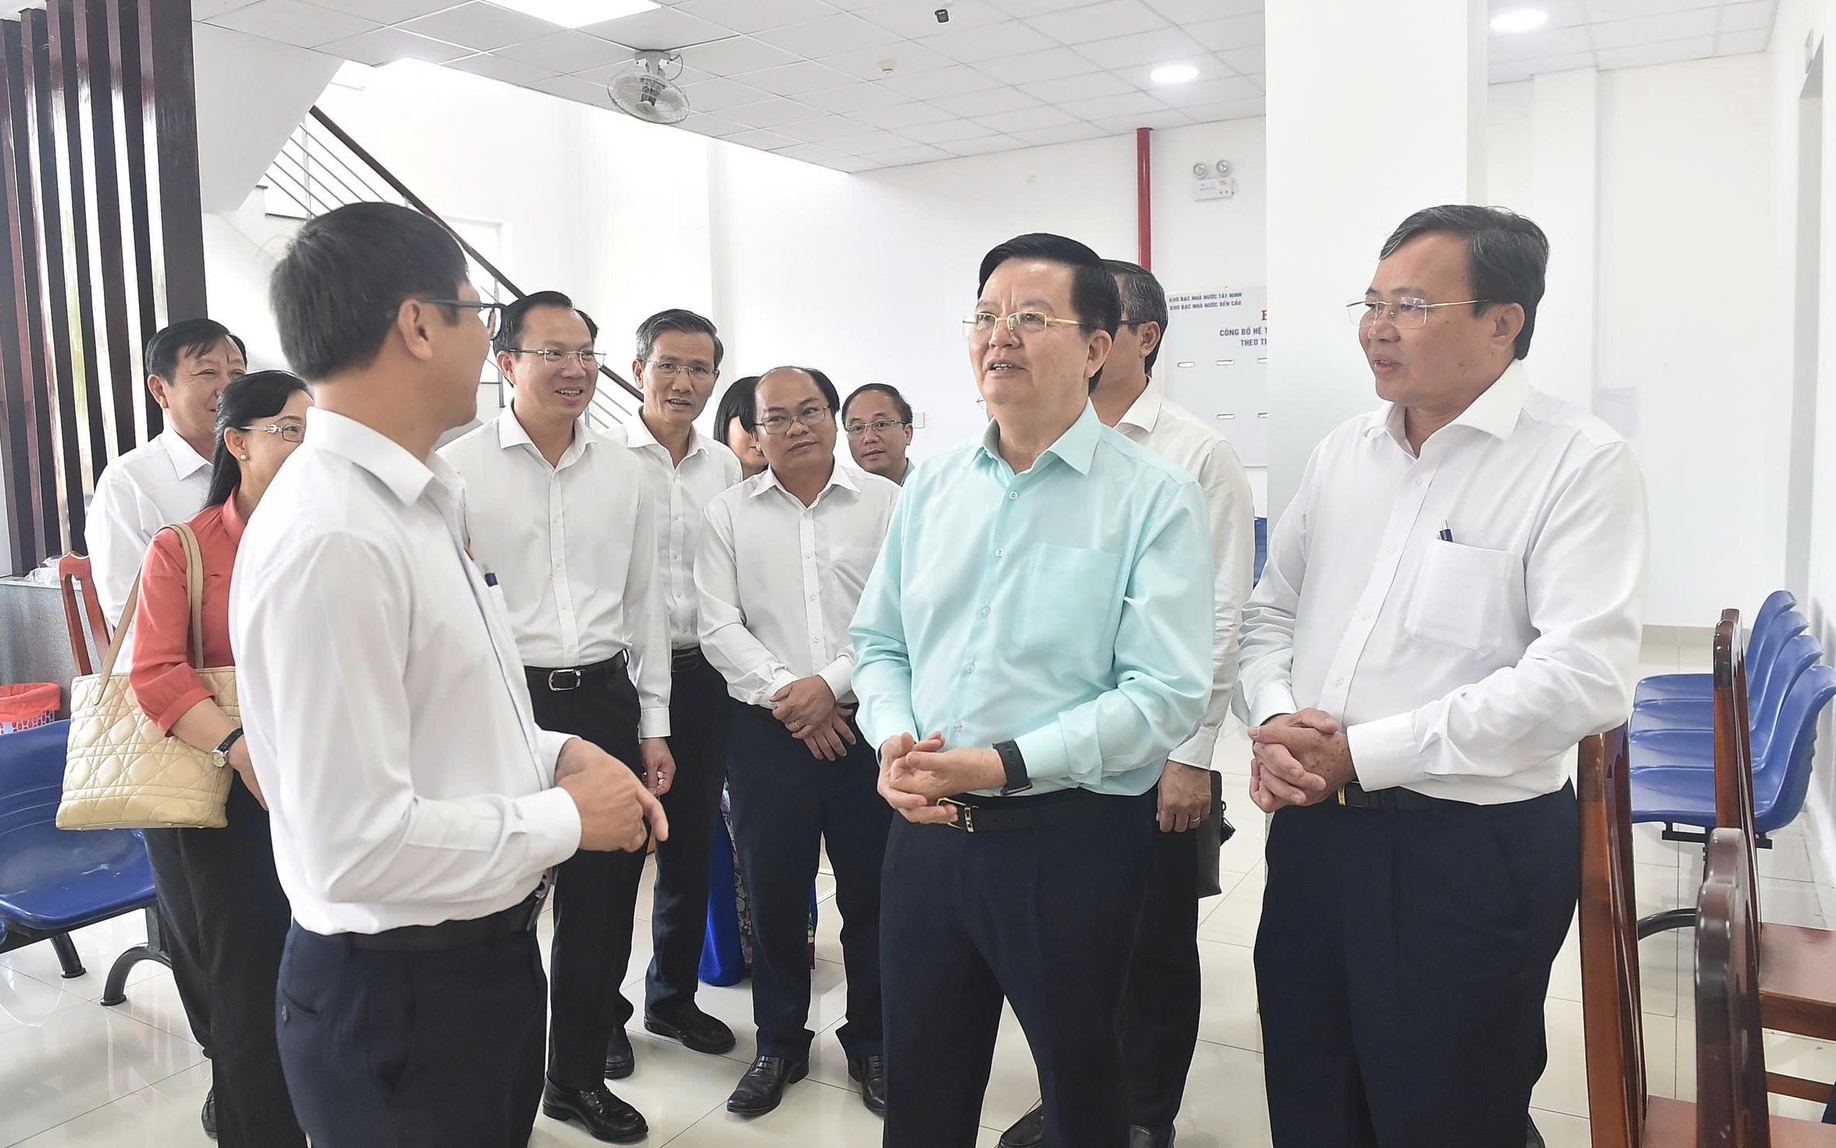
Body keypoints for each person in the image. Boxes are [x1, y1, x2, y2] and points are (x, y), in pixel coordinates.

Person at [231, 202, 667, 1148]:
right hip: (396, 997)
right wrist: (565, 819)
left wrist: (553, 755)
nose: (487, 342)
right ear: (419, 325)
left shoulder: (420, 500)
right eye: (479, 313)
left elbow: (446, 711)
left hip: (474, 968)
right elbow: (351, 847)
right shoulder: (334, 535)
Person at [1238, 205, 1647, 1148]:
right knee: (1310, 1084)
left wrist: (1364, 753)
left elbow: (1583, 676)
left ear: (1504, 321)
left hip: (1468, 852)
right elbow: (1269, 613)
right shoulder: (1344, 453)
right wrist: (1279, 723)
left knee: (1448, 1107)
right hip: (1314, 835)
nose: (1377, 328)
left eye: (1412, 306)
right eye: (1372, 303)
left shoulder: (1578, 463)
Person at [851, 233, 1213, 1148]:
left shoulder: (1155, 495)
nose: (999, 335)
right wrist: (893, 738)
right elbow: (879, 643)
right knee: (923, 1083)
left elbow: (1163, 694)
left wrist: (999, 765)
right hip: (926, 836)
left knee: (1085, 1089)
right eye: (985, 315)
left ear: (1097, 348)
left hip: (1070, 841)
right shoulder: (931, 486)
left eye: (1031, 317)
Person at [998, 259, 1256, 1148]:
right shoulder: (1030, 440)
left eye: (1066, 320)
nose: (1032, 337)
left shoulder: (1195, 454)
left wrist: (1191, 757)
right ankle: (1079, 1104)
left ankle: (1145, 1114)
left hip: (1151, 752)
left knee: (1151, 947)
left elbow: (1220, 616)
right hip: (1049, 752)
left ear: (1136, 338)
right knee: (1067, 945)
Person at [440, 290, 673, 1144]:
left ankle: (573, 1078)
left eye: (586, 353)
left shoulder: (628, 471)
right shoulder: (455, 470)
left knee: (603, 902)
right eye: (554, 353)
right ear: (506, 362)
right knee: (496, 900)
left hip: (605, 697)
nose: (576, 369)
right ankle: (486, 1085)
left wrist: (653, 722)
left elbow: (645, 603)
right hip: (501, 701)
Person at [697, 365, 900, 1118]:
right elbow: (718, 624)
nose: (796, 427)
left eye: (810, 410)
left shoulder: (885, 504)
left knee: (874, 895)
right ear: (753, 432)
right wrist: (794, 694)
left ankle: (873, 1041)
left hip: (867, 725)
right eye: (775, 417)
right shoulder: (727, 512)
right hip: (766, 732)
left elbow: (903, 613)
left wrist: (831, 684)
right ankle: (779, 1043)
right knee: (775, 895)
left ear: (833, 416)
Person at [128, 370, 311, 1148]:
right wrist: (239, 749)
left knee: (326, 966)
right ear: (237, 442)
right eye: (289, 430)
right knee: (248, 981)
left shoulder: (330, 537)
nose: (307, 446)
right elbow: (156, 672)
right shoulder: (185, 548)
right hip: (227, 795)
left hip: (319, 777)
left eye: (317, 432)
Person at [88, 315, 246, 1137]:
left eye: (236, 371)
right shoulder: (133, 483)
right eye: (206, 372)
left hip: (263, 723)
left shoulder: (261, 462)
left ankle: (270, 1063)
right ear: (162, 388)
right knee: (199, 920)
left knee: (261, 914)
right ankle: (230, 1069)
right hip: (176, 724)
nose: (225, 386)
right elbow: (136, 623)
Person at [608, 307, 744, 1069]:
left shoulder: (724, 466)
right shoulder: (602, 458)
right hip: (619, 683)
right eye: (669, 365)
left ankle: (672, 999)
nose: (683, 382)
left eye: (699, 369)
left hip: (703, 680)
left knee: (691, 846)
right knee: (614, 852)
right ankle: (599, 1012)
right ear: (638, 370)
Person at [842, 383, 916, 483]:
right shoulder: (845, 492)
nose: (869, 438)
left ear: (907, 433)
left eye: (881, 424)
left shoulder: (932, 490)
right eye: (857, 428)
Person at [714, 375, 767, 477]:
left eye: (769, 422)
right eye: (749, 422)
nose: (759, 434)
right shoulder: (702, 477)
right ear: (726, 422)